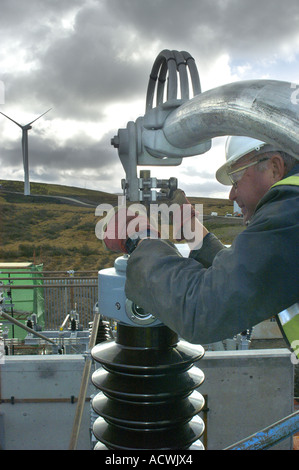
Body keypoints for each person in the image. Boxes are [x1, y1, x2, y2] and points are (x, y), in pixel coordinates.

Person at [103, 136, 299, 351]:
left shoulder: (292, 214)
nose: (231, 194)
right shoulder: (290, 214)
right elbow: (243, 278)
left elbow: (202, 310)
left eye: (236, 181)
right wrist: (189, 225)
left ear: (274, 167)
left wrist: (138, 237)